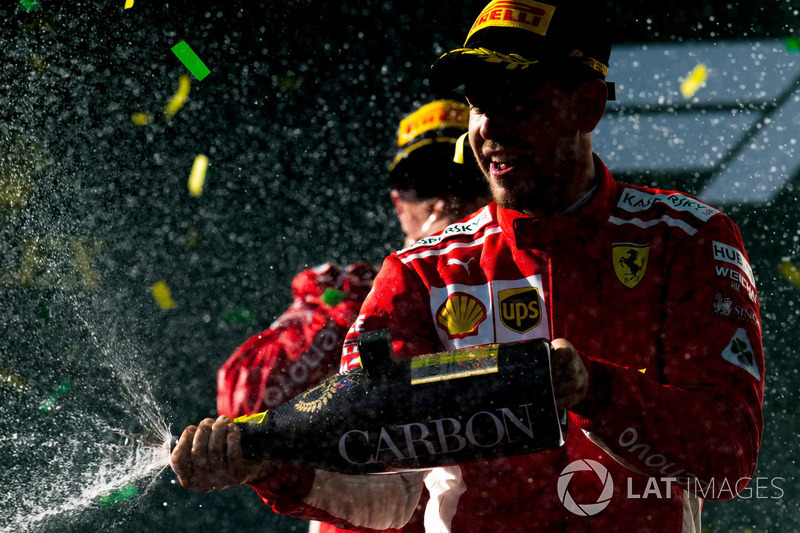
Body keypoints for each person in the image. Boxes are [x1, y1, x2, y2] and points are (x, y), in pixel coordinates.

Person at [172, 1, 765, 531]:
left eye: (519, 100)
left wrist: (597, 389)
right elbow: (397, 498)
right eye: (480, 104)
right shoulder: (417, 274)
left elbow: (730, 463)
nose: (492, 128)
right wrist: (272, 467)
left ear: (586, 106)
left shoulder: (686, 240)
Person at [209, 99, 488, 533]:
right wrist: (360, 320)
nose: (447, 198)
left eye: (463, 178)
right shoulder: (345, 291)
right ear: (399, 204)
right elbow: (241, 400)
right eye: (425, 181)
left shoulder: (529, 285)